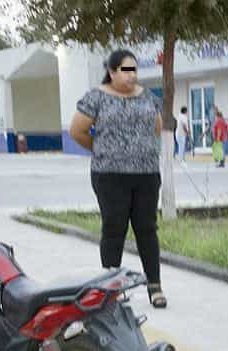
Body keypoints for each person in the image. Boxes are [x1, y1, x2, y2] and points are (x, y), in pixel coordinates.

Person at [69, 49, 168, 308]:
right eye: (125, 70)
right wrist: (104, 150)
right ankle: (110, 289)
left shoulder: (148, 96)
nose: (131, 75)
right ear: (112, 72)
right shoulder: (96, 97)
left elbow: (157, 128)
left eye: (134, 70)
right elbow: (77, 130)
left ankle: (154, 286)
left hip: (146, 175)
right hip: (109, 176)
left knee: (147, 229)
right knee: (114, 230)